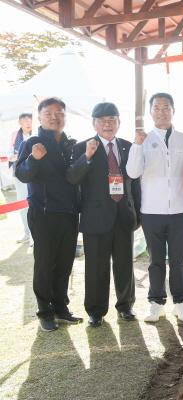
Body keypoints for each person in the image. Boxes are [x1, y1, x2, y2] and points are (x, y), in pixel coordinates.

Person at [126, 93, 183, 323]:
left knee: (178, 259)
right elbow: (132, 172)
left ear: (173, 110)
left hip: (179, 211)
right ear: (151, 112)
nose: (161, 111)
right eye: (156, 108)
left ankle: (180, 302)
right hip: (151, 211)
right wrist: (137, 146)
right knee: (155, 259)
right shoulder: (143, 140)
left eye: (166, 107)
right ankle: (156, 303)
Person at [66, 103, 141, 327]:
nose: (108, 124)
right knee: (96, 266)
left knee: (125, 265)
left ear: (119, 122)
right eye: (102, 120)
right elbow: (72, 177)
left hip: (123, 215)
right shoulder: (82, 147)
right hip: (95, 218)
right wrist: (87, 157)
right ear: (94, 124)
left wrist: (138, 214)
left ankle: (126, 306)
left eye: (112, 119)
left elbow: (135, 184)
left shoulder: (129, 147)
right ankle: (96, 311)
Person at [15, 97, 83, 332]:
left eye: (59, 113)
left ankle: (61, 308)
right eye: (49, 113)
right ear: (40, 117)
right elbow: (21, 174)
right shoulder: (33, 142)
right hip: (43, 214)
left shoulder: (71, 143)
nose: (55, 117)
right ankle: (45, 312)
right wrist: (34, 158)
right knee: (45, 263)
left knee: (64, 263)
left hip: (69, 213)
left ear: (65, 116)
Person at [9, 113, 33, 245]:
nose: (28, 123)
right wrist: (18, 156)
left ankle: (35, 235)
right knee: (22, 204)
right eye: (25, 120)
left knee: (35, 203)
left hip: (35, 175)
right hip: (19, 174)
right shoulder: (15, 135)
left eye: (30, 120)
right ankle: (27, 233)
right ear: (20, 122)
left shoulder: (37, 134)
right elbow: (10, 155)